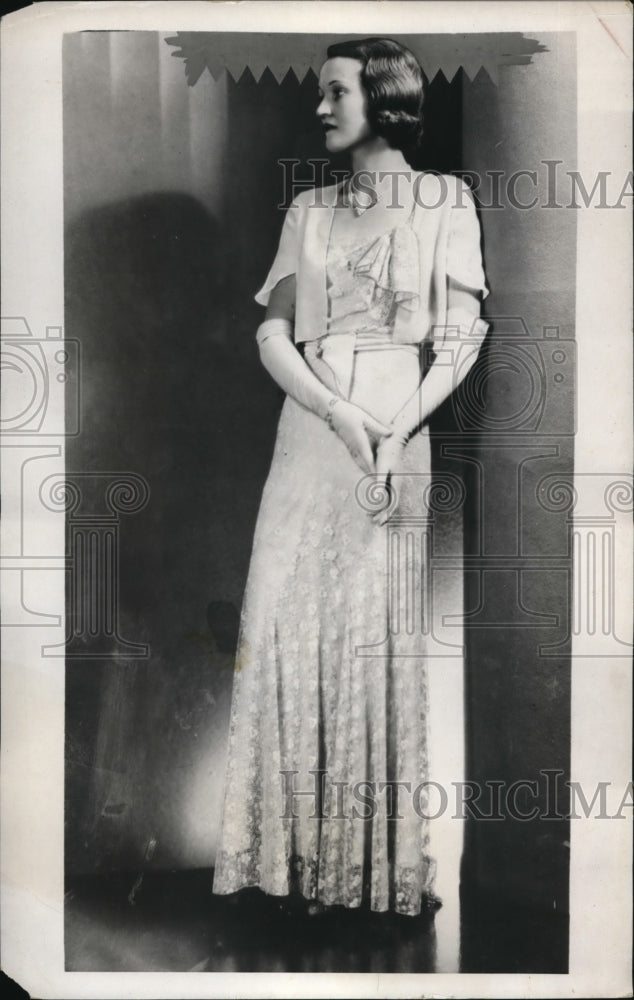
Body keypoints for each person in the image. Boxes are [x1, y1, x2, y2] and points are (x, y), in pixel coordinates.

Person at [212, 37, 489, 918]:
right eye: (321, 94)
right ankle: (287, 868)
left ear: (385, 99)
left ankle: (370, 873)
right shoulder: (310, 210)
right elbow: (272, 334)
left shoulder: (446, 201)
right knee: (288, 627)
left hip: (394, 444)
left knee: (372, 638)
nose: (321, 109)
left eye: (337, 93)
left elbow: (463, 336)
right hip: (310, 435)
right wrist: (340, 415)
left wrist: (394, 428)